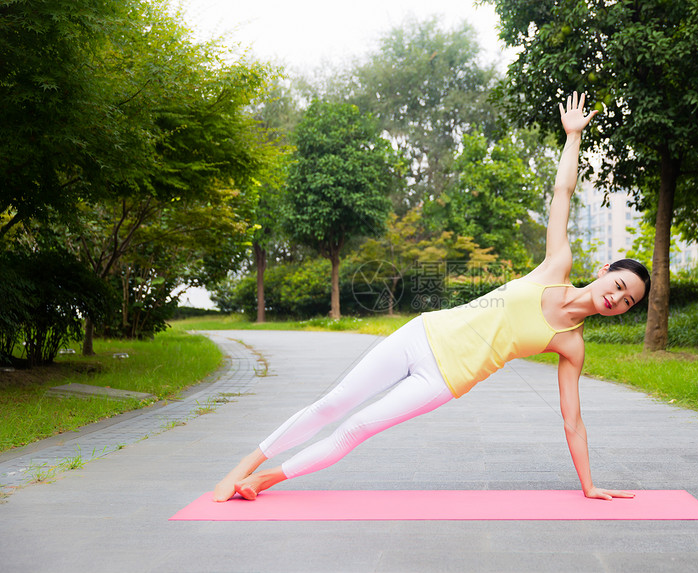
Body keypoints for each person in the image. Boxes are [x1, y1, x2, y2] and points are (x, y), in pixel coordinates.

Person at [213, 92, 650, 503]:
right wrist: (573, 137)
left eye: (628, 302)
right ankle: (248, 462)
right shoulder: (556, 266)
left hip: (443, 380)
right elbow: (563, 194)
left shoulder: (572, 345)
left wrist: (589, 486)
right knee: (334, 403)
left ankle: (265, 479)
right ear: (604, 272)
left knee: (359, 426)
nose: (617, 299)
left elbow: (572, 419)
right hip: (421, 335)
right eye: (619, 286)